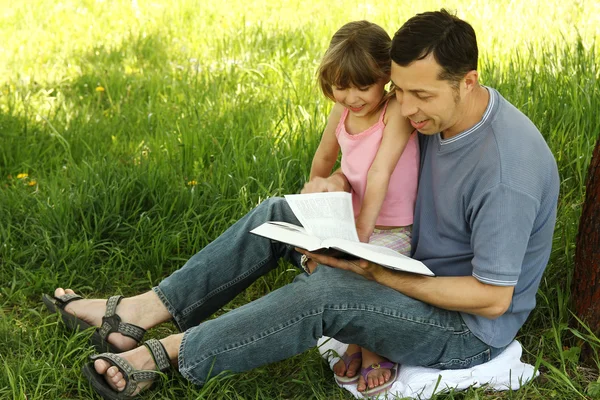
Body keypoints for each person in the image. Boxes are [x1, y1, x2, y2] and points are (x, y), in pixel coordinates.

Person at [43, 9, 559, 400]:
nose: (405, 107)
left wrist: (374, 275)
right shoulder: (429, 112)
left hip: (461, 330)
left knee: (330, 291)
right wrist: (334, 180)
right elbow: (373, 155)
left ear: (468, 80)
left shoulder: (505, 172)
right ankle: (141, 311)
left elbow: (492, 299)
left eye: (419, 96)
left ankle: (168, 355)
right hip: (400, 255)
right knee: (279, 213)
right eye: (398, 90)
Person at [306, 20, 418, 393]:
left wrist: (360, 239)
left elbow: (379, 173)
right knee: (330, 272)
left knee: (363, 273)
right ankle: (356, 340)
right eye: (341, 87)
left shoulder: (395, 112)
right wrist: (313, 198)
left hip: (393, 227)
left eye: (362, 87)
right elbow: (324, 160)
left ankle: (371, 352)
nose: (351, 97)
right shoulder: (342, 113)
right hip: (354, 218)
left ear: (385, 76)